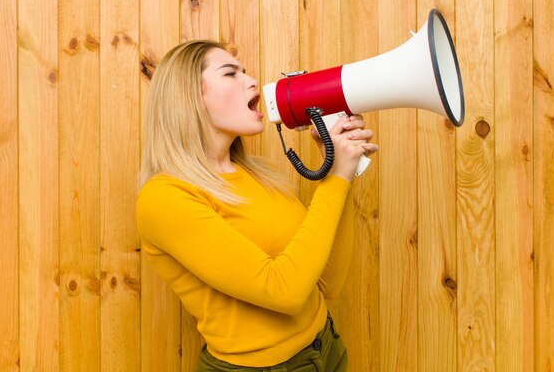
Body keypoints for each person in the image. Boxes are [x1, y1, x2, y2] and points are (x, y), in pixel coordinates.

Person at [136, 40, 379, 372]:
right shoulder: (164, 197)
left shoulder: (259, 175)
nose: (251, 81)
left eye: (246, 72)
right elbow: (285, 292)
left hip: (326, 349)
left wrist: (340, 169)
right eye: (230, 73)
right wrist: (336, 178)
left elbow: (327, 283)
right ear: (189, 96)